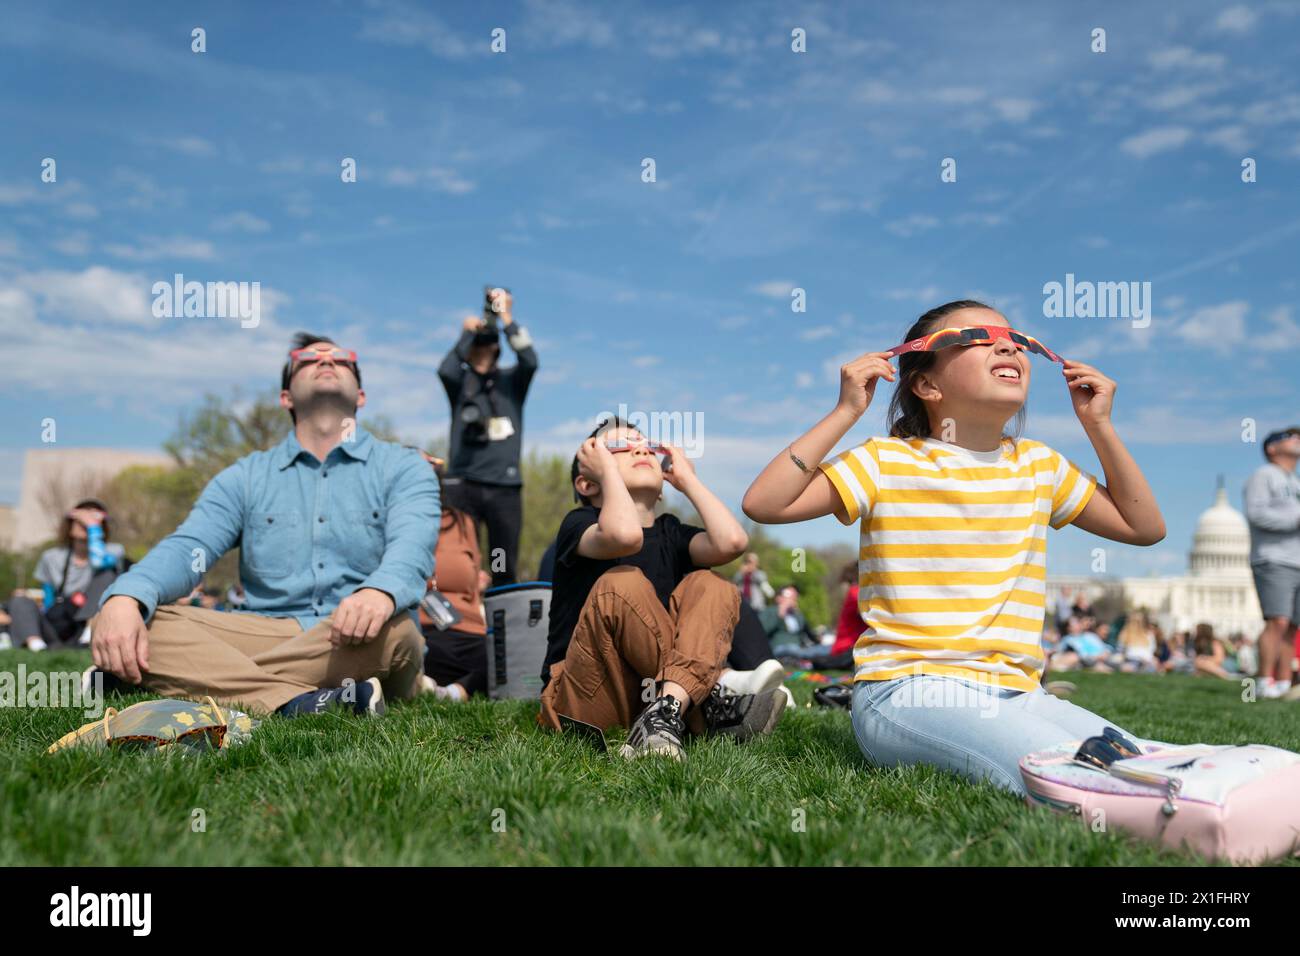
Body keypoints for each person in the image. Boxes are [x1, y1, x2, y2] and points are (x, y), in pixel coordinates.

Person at [741, 300, 1165, 795]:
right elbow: (765, 503)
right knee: (1075, 774)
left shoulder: (1038, 466)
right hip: (906, 690)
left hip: (1022, 693)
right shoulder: (887, 461)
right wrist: (845, 411)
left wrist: (1100, 426)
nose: (1007, 344)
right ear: (927, 385)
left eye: (1016, 339)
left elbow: (1143, 527)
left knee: (1138, 759)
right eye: (977, 337)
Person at [88, 333, 439, 718]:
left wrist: (380, 592)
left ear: (361, 396)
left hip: (360, 634)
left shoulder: (405, 467)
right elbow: (190, 549)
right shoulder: (244, 476)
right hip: (262, 631)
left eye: (341, 358)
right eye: (307, 359)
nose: (326, 360)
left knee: (399, 631)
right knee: (146, 620)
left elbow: (413, 548)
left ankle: (173, 673)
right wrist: (126, 598)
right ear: (285, 396)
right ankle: (298, 703)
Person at [539, 417, 786, 759]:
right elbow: (624, 536)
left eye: (648, 446)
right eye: (618, 448)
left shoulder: (671, 532)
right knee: (621, 583)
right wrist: (608, 474)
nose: (640, 448)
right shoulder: (579, 524)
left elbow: (732, 541)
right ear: (587, 483)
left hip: (656, 697)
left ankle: (667, 712)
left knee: (711, 584)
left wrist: (689, 483)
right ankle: (714, 691)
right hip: (587, 695)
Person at [438, 288, 537, 586]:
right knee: (457, 558)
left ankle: (500, 622)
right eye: (476, 349)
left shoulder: (511, 383)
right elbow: (445, 369)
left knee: (500, 562)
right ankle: (462, 620)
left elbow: (529, 359)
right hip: (463, 484)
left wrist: (506, 319)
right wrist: (466, 333)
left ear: (497, 349)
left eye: (487, 347)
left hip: (502, 489)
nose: (481, 351)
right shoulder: (461, 383)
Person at [4, 499, 125, 650]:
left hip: (90, 622)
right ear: (69, 527)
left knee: (106, 575)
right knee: (20, 600)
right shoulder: (51, 557)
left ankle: (88, 637)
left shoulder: (114, 551)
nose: (86, 525)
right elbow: (48, 597)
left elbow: (99, 562)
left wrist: (92, 527)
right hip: (58, 621)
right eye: (80, 522)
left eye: (92, 522)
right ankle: (37, 646)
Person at [418, 454, 489, 701]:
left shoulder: (463, 523)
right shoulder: (389, 523)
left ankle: (450, 692)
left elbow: (473, 574)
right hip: (421, 627)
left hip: (469, 629)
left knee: (497, 655)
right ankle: (449, 688)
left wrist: (480, 582)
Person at [1243, 427, 1300, 699]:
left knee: (1292, 625)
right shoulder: (1263, 476)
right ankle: (1265, 679)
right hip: (1273, 558)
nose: (1297, 440)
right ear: (1271, 448)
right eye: (1290, 437)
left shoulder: (1295, 481)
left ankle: (1284, 682)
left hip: (1297, 559)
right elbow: (1256, 514)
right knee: (1277, 620)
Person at [761, 585, 824, 659]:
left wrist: (819, 640)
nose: (793, 599)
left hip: (798, 648)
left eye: (795, 596)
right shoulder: (770, 611)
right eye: (789, 596)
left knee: (822, 649)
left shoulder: (797, 615)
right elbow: (762, 631)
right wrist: (780, 615)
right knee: (791, 649)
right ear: (779, 598)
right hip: (779, 647)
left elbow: (809, 632)